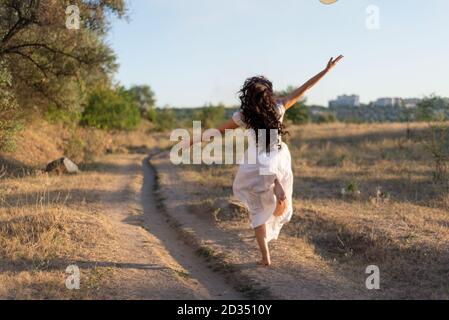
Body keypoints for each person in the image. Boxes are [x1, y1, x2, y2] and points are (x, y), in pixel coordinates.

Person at [185, 55, 343, 266]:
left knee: (257, 209)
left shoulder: (243, 116)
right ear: (268, 93)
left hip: (257, 161)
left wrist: (193, 140)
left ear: (247, 97)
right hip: (278, 155)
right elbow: (304, 89)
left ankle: (265, 256)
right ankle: (277, 184)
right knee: (272, 179)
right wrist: (326, 70)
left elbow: (217, 132)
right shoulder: (279, 107)